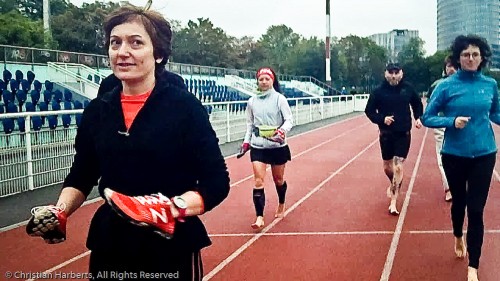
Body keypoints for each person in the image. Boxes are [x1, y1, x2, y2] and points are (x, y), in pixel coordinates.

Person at [25, 5, 230, 280]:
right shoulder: (98, 110)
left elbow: (216, 181)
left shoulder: (185, 108)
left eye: (136, 43)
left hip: (170, 247)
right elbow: (82, 174)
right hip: (110, 243)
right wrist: (59, 211)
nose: (123, 52)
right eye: (115, 43)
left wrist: (169, 208)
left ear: (158, 54)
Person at [421, 34, 499, 281]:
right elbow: (427, 117)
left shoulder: (490, 85)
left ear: (482, 57)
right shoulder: (446, 86)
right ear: (458, 58)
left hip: (485, 154)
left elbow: (496, 113)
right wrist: (451, 121)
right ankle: (457, 234)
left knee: (476, 211)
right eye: (466, 54)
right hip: (454, 155)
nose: (471, 58)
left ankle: (473, 267)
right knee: (460, 204)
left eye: (475, 54)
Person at [364, 63, 423, 215]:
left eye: (397, 72)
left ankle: (393, 202)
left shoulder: (408, 89)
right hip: (386, 134)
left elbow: (417, 104)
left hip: (403, 133)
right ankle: (394, 183)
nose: (394, 75)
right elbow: (369, 111)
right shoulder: (378, 91)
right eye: (391, 72)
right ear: (386, 74)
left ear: (402, 73)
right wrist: (382, 119)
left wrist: (418, 118)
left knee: (398, 166)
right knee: (387, 167)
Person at [238, 67, 293, 230]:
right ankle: (259, 217)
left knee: (278, 180)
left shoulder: (279, 99)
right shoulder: (252, 101)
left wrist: (281, 131)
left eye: (267, 79)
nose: (263, 82)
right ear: (257, 81)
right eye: (261, 79)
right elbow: (250, 124)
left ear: (272, 81)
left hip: (277, 146)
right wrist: (246, 142)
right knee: (258, 181)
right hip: (258, 146)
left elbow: (289, 119)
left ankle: (281, 203)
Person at [425, 55, 458, 202]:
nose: (452, 69)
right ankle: (448, 188)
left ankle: (461, 184)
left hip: (459, 125)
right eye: (449, 66)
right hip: (441, 125)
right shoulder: (437, 85)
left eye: (455, 66)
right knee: (442, 157)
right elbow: (429, 106)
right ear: (445, 68)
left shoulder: (465, 84)